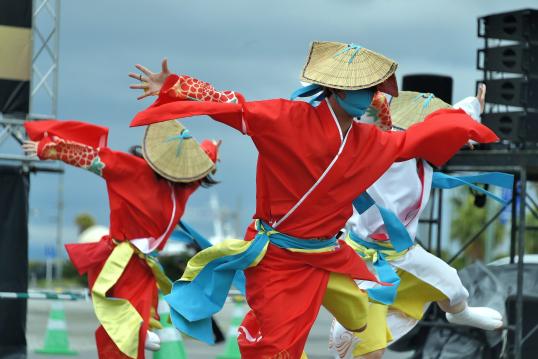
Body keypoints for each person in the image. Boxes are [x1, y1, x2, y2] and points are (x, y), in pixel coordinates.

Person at [128, 41, 499, 358]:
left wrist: (469, 113)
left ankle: (360, 325)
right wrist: (173, 85)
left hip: (329, 254)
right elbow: (233, 105)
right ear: (336, 89)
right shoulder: (285, 118)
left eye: (374, 91)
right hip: (279, 260)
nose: (370, 97)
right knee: (277, 346)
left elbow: (416, 137)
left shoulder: (369, 141)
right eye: (365, 89)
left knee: (363, 315)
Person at [329, 87, 509, 359]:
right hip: (365, 261)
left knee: (451, 283)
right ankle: (351, 333)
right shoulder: (382, 148)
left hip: (403, 254)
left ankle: (460, 314)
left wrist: (472, 109)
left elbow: (450, 120)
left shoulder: (422, 159)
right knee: (368, 350)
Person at [23, 119, 220, 359]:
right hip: (120, 262)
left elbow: (206, 159)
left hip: (143, 266)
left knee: (129, 326)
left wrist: (212, 146)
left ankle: (139, 331)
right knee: (122, 332)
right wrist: (48, 148)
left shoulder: (184, 184)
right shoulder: (134, 169)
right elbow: (93, 157)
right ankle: (138, 332)